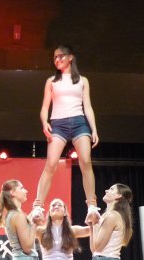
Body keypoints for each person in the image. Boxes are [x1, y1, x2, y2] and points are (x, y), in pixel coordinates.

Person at [34, 44, 100, 224]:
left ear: (71, 57)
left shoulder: (83, 81)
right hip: (58, 124)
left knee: (85, 161)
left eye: (61, 56)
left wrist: (94, 128)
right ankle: (38, 206)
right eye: (55, 57)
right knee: (51, 163)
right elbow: (44, 108)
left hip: (79, 122)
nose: (57, 60)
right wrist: (45, 123)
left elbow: (88, 106)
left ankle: (92, 206)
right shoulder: (51, 81)